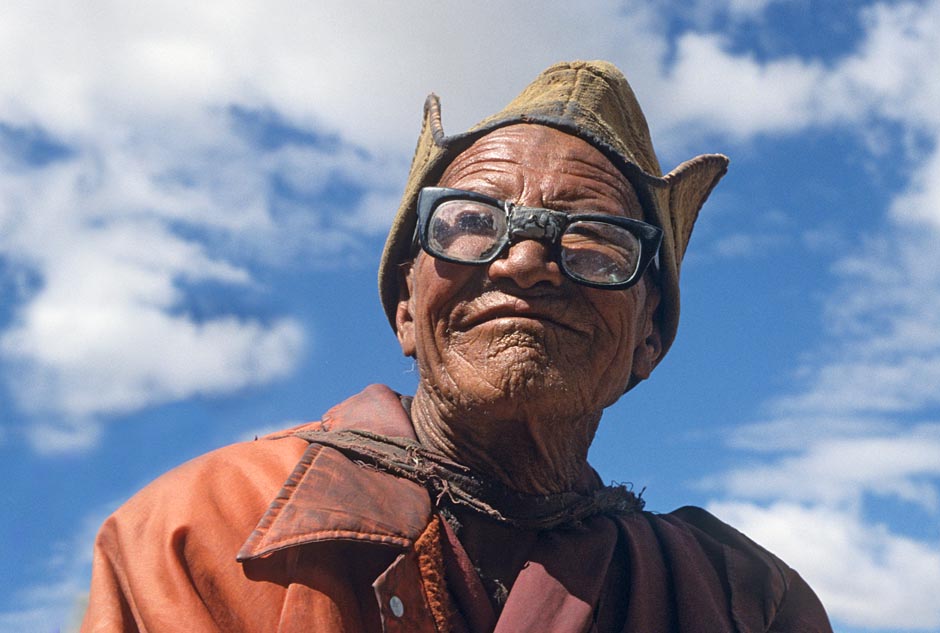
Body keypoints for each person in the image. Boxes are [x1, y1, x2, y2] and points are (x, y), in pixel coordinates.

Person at [81, 61, 833, 633]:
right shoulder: (201, 531)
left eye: (596, 240)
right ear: (406, 307)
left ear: (648, 340)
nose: (525, 261)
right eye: (471, 220)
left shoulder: (741, 601)